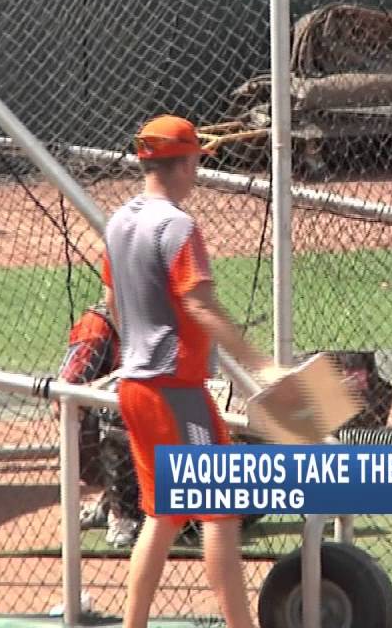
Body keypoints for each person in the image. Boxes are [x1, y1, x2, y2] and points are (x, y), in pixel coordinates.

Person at [101, 114, 272, 628]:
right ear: (186, 162)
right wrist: (258, 362)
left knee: (165, 514)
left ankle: (134, 625)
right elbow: (199, 303)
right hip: (175, 392)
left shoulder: (119, 221)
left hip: (135, 388)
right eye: (197, 160)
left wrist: (145, 337)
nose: (198, 170)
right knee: (220, 512)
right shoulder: (177, 226)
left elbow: (112, 301)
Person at [56, 301, 143, 548]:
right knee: (123, 397)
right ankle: (122, 514)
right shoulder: (97, 326)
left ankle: (115, 500)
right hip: (89, 439)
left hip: (156, 432)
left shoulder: (170, 318)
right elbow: (64, 395)